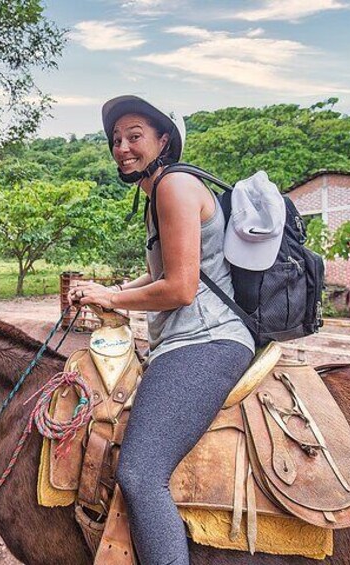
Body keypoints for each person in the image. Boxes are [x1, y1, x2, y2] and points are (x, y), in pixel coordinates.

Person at [67, 95, 257, 565]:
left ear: (163, 140)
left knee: (139, 472)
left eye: (135, 137)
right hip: (187, 339)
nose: (122, 148)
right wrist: (109, 288)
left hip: (206, 340)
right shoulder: (159, 193)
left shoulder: (173, 186)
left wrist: (111, 299)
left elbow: (181, 288)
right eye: (116, 140)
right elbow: (161, 274)